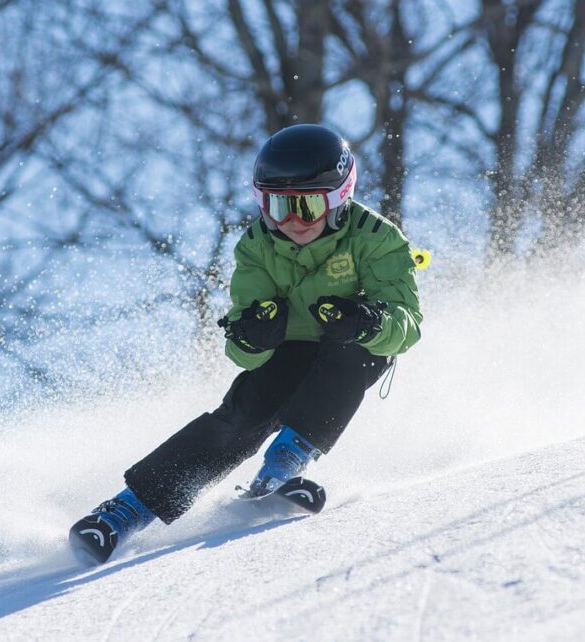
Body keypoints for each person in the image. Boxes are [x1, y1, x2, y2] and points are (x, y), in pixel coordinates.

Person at [69, 124, 423, 563]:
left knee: (353, 355)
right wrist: (252, 335)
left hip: (352, 346)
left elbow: (407, 325)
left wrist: (367, 321)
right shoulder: (257, 245)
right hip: (289, 350)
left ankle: (282, 467)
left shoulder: (377, 237)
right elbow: (240, 349)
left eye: (307, 206)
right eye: (276, 206)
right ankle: (124, 512)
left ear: (338, 199)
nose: (291, 221)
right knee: (244, 413)